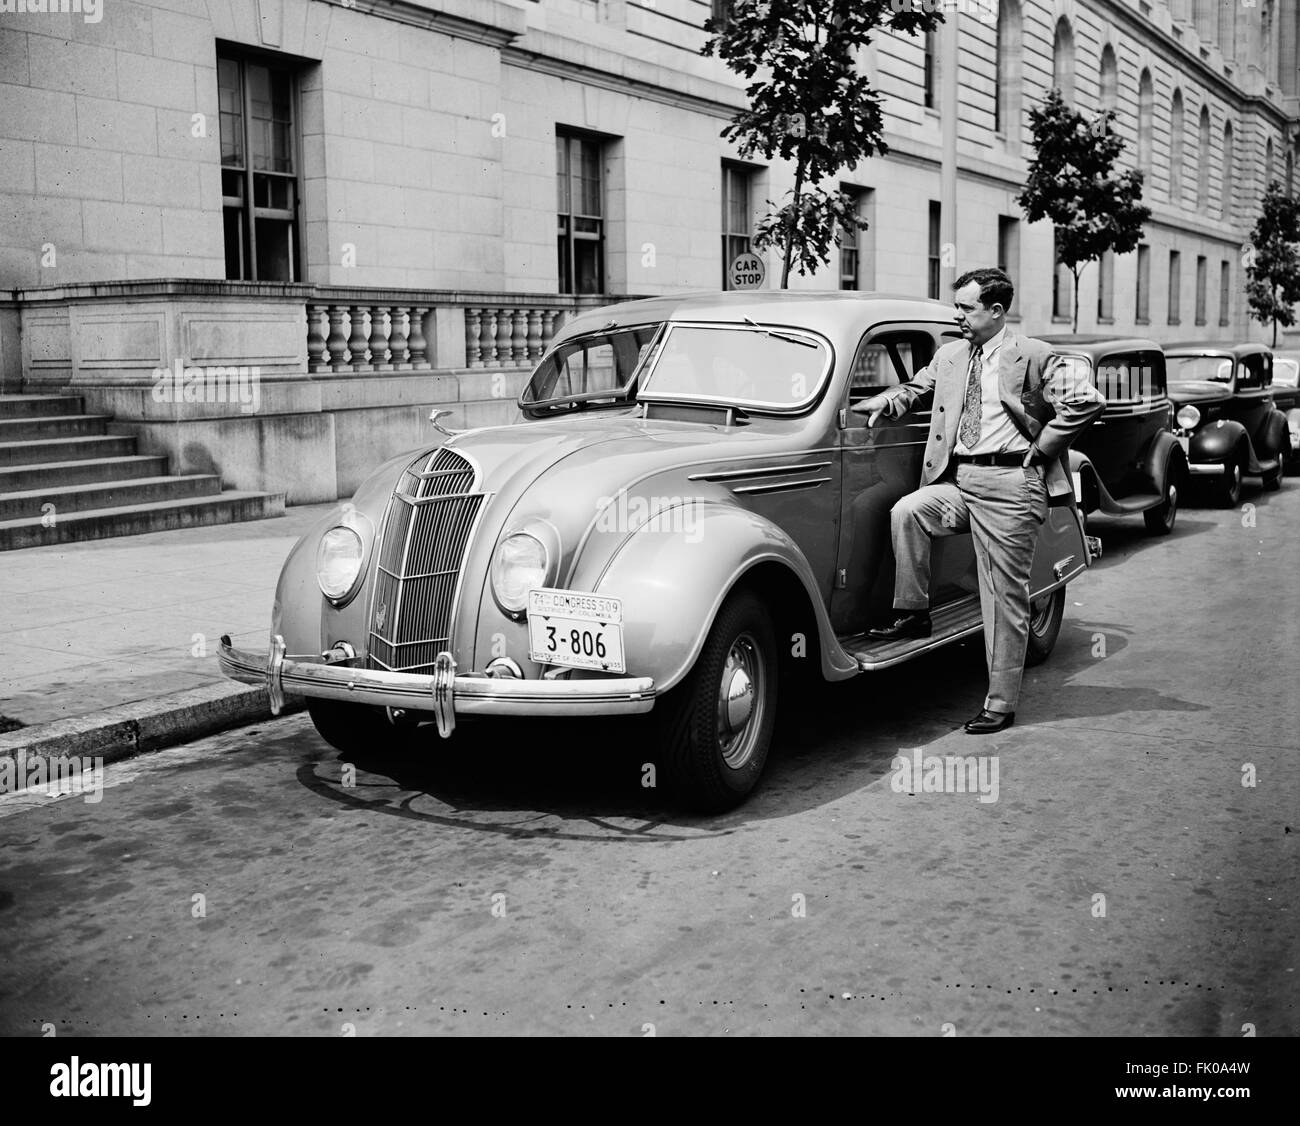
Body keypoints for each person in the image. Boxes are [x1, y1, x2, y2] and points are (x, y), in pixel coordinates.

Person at [851, 267, 1104, 734]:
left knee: (1002, 595)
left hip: (1012, 483)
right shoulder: (950, 356)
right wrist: (887, 401)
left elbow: (1086, 401)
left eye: (967, 308)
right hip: (961, 480)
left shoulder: (1033, 354)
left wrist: (1044, 447)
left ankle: (1001, 703)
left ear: (996, 311)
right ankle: (912, 614)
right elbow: (916, 389)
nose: (959, 316)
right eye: (958, 307)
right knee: (909, 510)